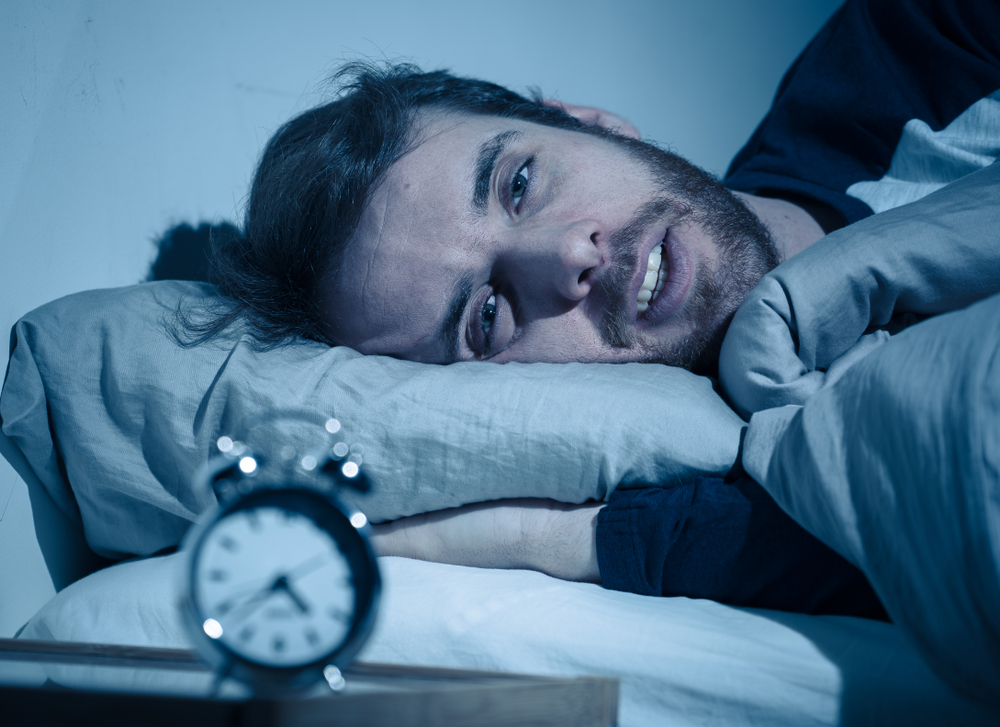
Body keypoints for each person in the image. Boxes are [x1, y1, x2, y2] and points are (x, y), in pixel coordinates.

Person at [197, 0, 999, 618]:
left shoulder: (920, 42)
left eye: (518, 182)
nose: (567, 255)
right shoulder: (738, 501)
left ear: (588, 123)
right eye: (487, 316)